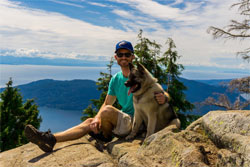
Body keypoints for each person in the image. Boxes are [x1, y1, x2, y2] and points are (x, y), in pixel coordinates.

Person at [24, 40, 169, 153]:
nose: (123, 57)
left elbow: (160, 92)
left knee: (106, 111)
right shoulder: (116, 79)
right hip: (124, 121)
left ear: (132, 56)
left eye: (127, 54)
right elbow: (107, 102)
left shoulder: (140, 76)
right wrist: (97, 119)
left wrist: (165, 97)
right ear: (115, 57)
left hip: (136, 123)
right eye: (120, 54)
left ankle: (104, 136)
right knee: (90, 120)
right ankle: (51, 139)